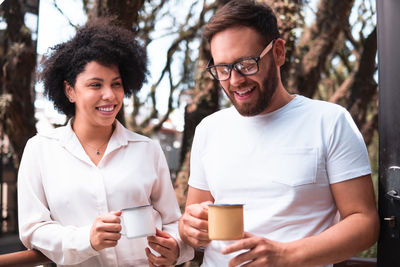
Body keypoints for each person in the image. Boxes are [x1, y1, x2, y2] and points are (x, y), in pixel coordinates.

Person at [178, 1, 379, 266]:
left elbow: (364, 222)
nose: (235, 80)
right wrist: (188, 229)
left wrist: (285, 255)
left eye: (246, 64)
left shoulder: (329, 121)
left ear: (279, 53)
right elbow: (192, 221)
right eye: (223, 69)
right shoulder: (209, 129)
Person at [17, 18, 193, 267]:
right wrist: (86, 239)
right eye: (95, 85)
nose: (109, 95)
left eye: (116, 84)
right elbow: (33, 229)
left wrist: (175, 247)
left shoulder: (147, 150)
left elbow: (173, 221)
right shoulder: (41, 149)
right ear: (70, 91)